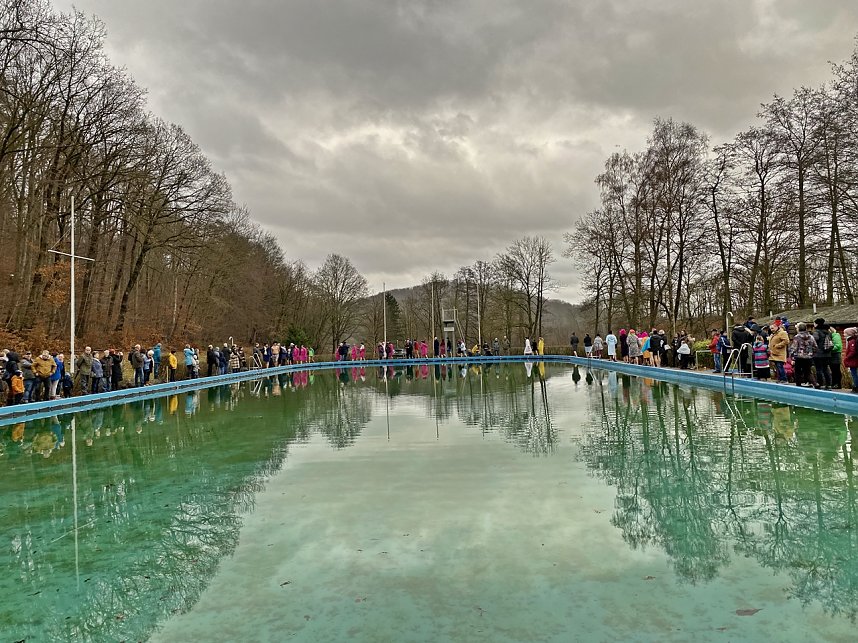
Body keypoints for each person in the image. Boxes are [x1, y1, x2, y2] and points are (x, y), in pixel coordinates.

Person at [790, 323, 817, 388]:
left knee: (798, 371)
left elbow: (794, 347)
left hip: (799, 357)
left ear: (799, 329)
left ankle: (798, 385)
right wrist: (812, 353)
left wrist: (792, 356)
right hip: (808, 357)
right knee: (808, 371)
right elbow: (815, 347)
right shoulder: (811, 336)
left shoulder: (797, 337)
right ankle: (815, 383)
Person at [812, 318, 833, 390]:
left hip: (818, 354)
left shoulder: (816, 332)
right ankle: (828, 384)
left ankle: (820, 384)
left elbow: (814, 340)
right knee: (826, 369)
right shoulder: (828, 332)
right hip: (827, 353)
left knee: (818, 369)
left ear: (817, 324)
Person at [843, 327, 858, 393]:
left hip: (853, 360)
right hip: (853, 360)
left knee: (854, 374)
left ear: (849, 334)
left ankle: (856, 386)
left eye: (845, 333)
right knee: (854, 373)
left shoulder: (852, 341)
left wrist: (847, 357)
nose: (844, 334)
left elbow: (853, 351)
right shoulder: (851, 340)